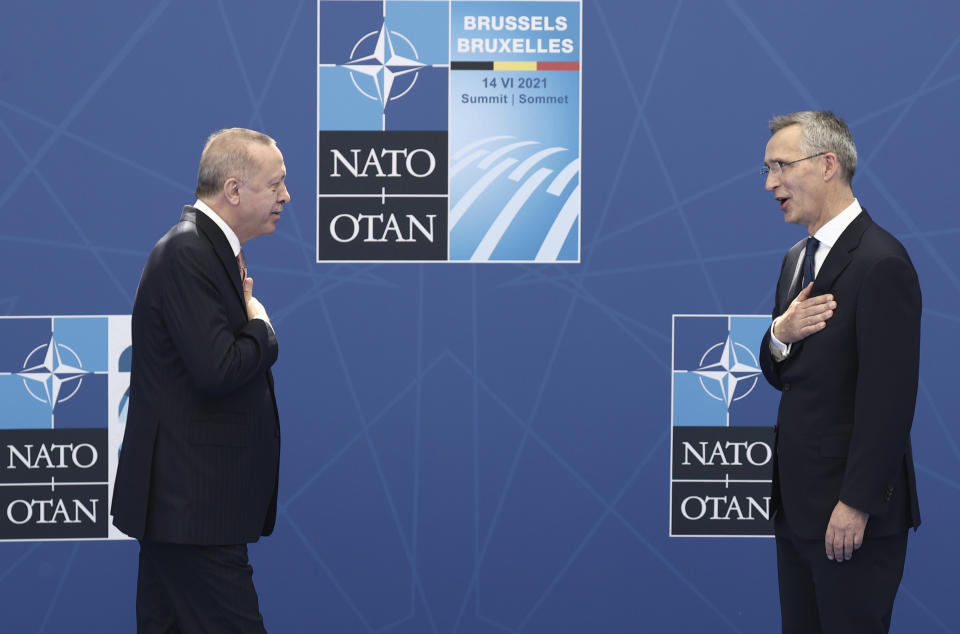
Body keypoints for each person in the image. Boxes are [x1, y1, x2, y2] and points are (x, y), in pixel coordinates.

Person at [111, 127, 290, 633]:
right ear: (234, 190)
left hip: (192, 514)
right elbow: (219, 369)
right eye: (276, 184)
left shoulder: (207, 252)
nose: (286, 196)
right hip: (192, 517)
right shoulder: (188, 253)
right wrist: (262, 327)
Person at [758, 111, 921, 634]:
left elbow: (889, 402)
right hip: (797, 510)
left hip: (850, 521)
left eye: (781, 165)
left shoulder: (881, 262)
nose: (770, 183)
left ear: (828, 164)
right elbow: (783, 375)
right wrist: (781, 335)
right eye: (766, 169)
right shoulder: (794, 261)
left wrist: (855, 504)